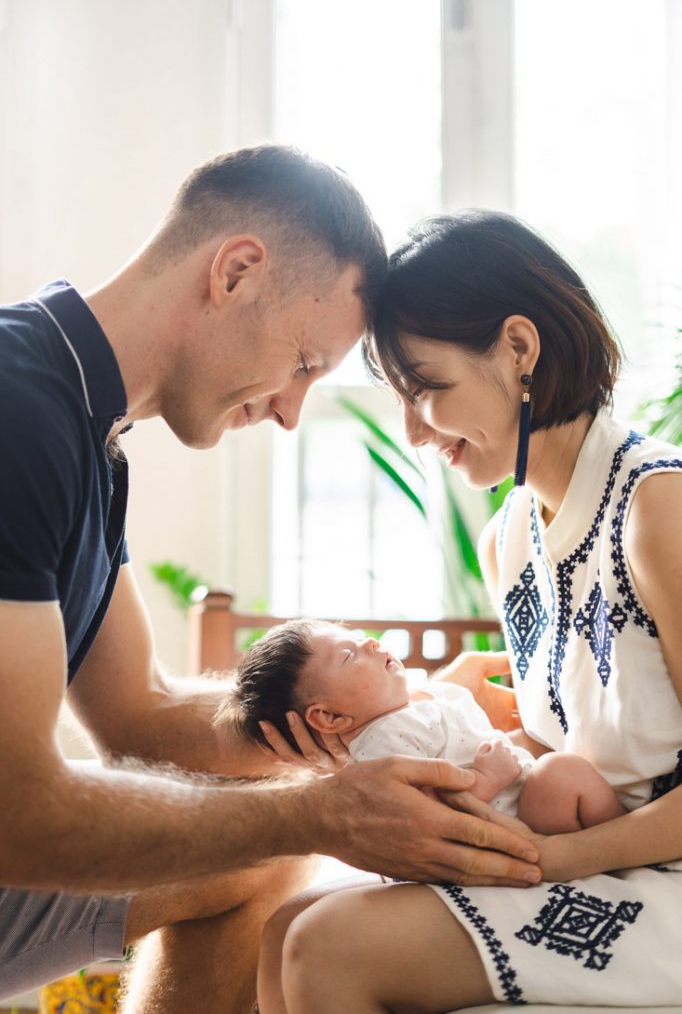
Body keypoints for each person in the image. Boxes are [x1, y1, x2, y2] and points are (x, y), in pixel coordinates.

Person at [0, 153, 541, 1011]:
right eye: (301, 361)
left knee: (265, 857)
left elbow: (137, 715)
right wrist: (318, 812)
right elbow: (18, 815)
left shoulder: (82, 429)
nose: (292, 412)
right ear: (237, 271)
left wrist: (399, 712)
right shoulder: (17, 410)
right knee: (281, 839)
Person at [255, 210, 682, 1014]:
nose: (416, 433)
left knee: (329, 946)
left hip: (654, 878)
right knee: (285, 927)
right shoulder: (510, 537)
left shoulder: (660, 507)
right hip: (577, 848)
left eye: (432, 392)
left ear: (520, 349)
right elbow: (558, 743)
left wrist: (539, 861)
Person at [229, 617, 627, 831]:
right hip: (510, 825)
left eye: (357, 637)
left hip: (521, 796)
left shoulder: (420, 697)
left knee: (563, 768)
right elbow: (422, 817)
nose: (370, 643)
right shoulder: (383, 745)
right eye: (349, 656)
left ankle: (621, 842)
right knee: (561, 771)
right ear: (329, 717)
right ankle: (622, 848)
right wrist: (488, 778)